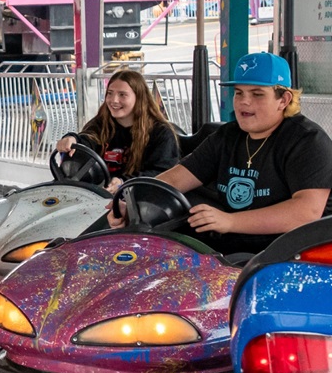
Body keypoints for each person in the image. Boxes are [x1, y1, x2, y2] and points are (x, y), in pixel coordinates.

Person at [108, 52, 332, 254]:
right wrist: (132, 203)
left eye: (257, 94)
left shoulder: (307, 141)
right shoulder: (228, 136)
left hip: (290, 256)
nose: (244, 101)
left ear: (283, 100)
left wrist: (230, 221)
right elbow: (175, 180)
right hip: (231, 252)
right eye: (239, 93)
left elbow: (306, 212)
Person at [56, 69, 180, 193]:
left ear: (139, 98)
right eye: (110, 93)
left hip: (138, 196)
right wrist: (73, 139)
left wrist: (123, 182)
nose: (114, 100)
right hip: (99, 194)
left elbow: (162, 173)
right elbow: (88, 139)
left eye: (122, 95)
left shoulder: (161, 132)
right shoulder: (102, 123)